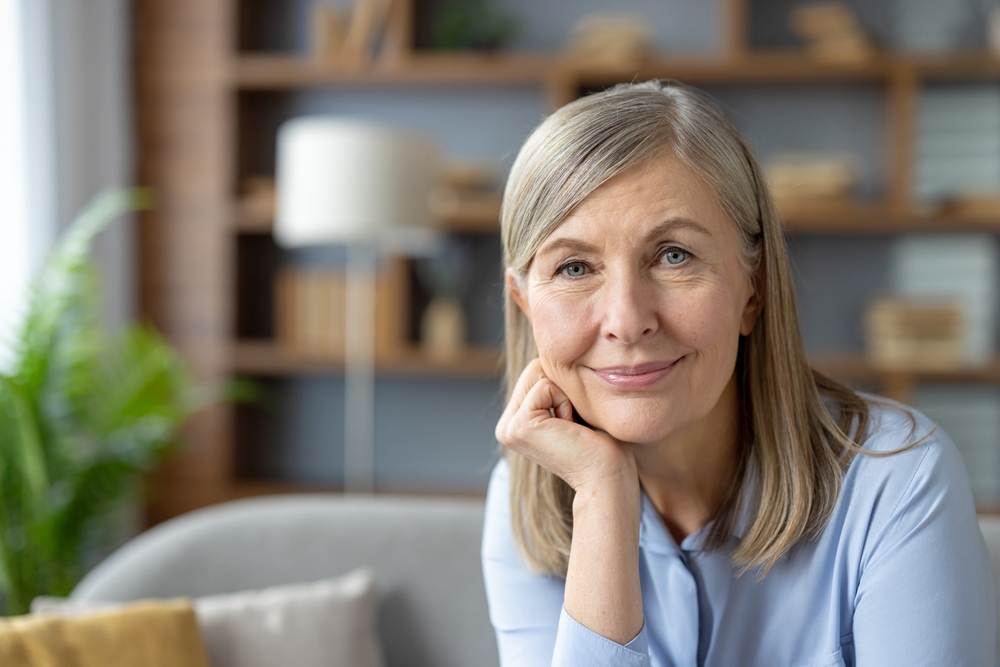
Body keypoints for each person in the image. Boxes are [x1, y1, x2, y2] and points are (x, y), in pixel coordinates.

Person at [481, 80, 996, 667]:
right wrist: (603, 501)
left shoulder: (900, 481)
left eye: (674, 255)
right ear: (525, 305)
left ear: (754, 290)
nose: (626, 321)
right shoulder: (528, 501)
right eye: (574, 266)